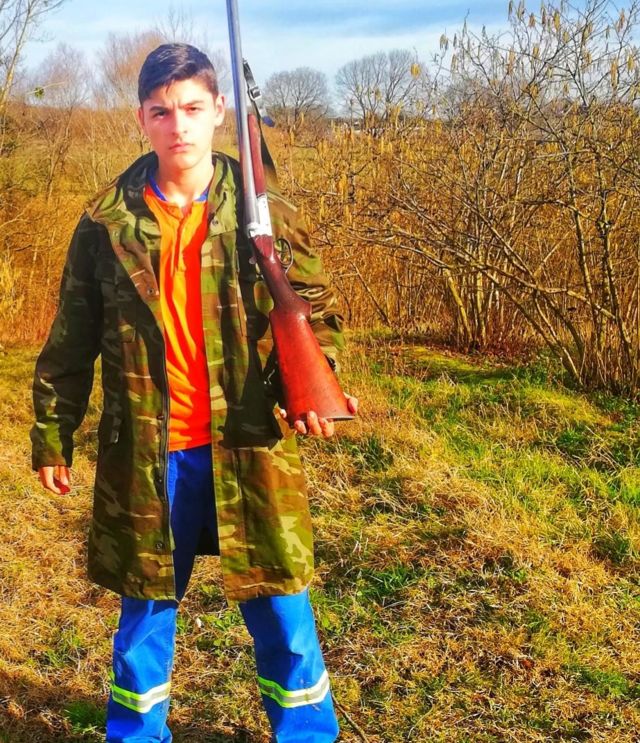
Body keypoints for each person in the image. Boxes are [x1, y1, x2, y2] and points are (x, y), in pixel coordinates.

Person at [30, 43, 357, 743]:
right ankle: (135, 734)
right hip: (148, 455)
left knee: (284, 613)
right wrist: (52, 435)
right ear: (141, 119)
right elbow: (69, 341)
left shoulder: (264, 212)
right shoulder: (105, 223)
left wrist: (312, 380)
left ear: (218, 111)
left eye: (191, 108)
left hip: (250, 448)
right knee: (143, 620)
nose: (177, 125)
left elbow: (316, 310)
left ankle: (307, 734)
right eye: (161, 111)